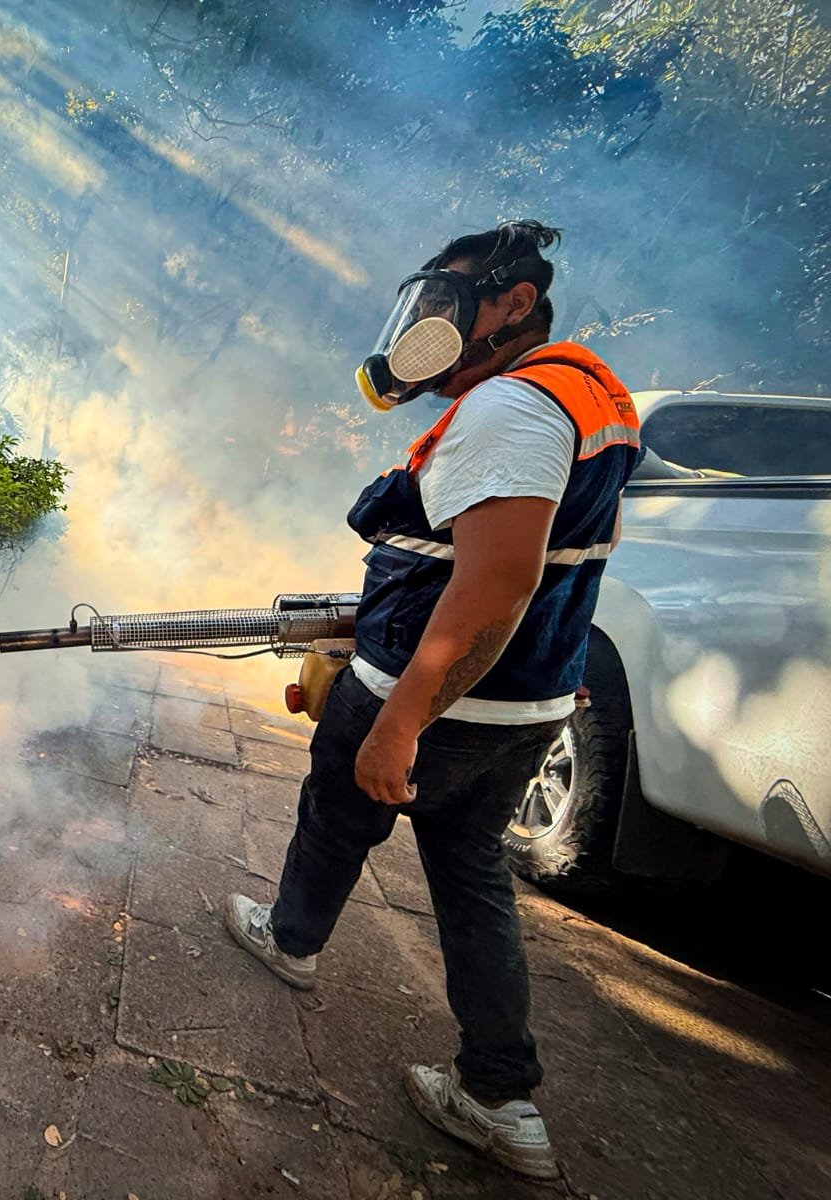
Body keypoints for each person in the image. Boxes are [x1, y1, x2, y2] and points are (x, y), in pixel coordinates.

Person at [222, 220, 642, 1181]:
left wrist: (400, 721)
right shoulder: (590, 396)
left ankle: (290, 942)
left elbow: (494, 591)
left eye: (454, 301)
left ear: (514, 304)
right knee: (471, 876)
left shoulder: (513, 408)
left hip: (442, 704)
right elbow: (541, 565)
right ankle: (501, 1095)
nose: (433, 321)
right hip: (529, 708)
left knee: (338, 818)